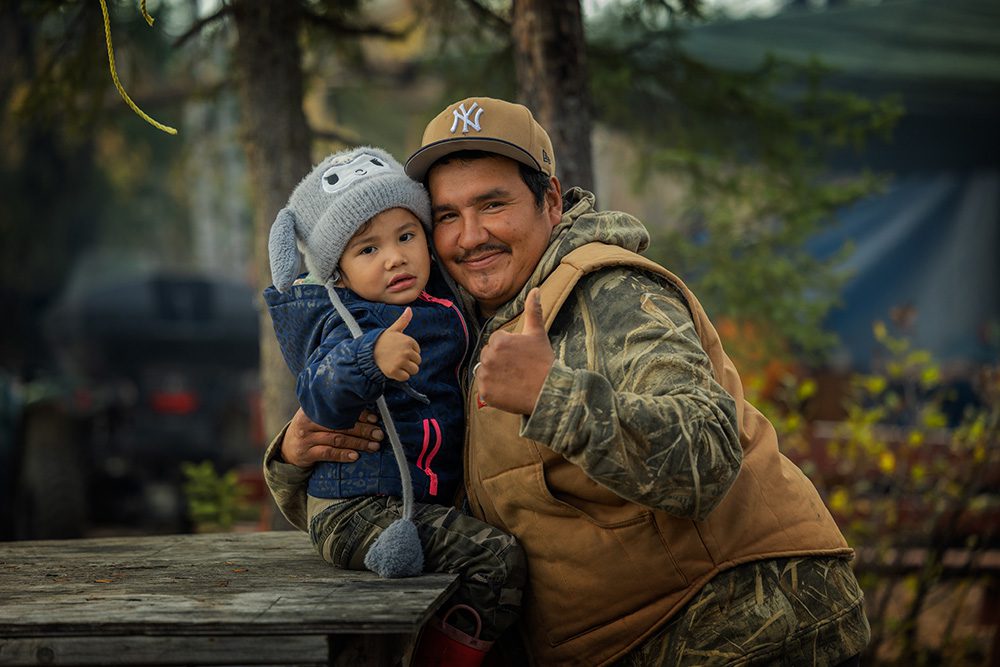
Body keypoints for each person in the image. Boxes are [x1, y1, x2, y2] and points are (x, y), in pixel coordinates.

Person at [264, 98, 871, 666]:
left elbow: (708, 454)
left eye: (493, 204)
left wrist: (550, 395)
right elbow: (416, 493)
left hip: (735, 629)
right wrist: (296, 455)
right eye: (447, 215)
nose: (469, 235)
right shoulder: (451, 325)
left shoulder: (611, 293)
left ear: (550, 201)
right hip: (616, 641)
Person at [263, 145, 525, 666]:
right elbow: (317, 388)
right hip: (357, 510)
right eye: (367, 250)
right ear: (337, 275)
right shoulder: (349, 319)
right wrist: (367, 359)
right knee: (496, 560)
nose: (395, 257)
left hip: (418, 502)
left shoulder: (442, 303)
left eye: (407, 236)